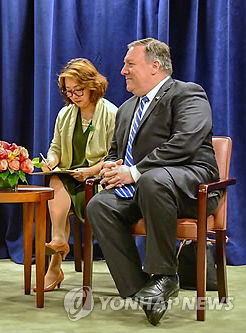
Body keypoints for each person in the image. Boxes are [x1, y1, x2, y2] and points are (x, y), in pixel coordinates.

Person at [86, 38, 222, 326]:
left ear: (155, 67)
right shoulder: (125, 110)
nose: (122, 71)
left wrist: (134, 172)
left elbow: (184, 143)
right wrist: (112, 168)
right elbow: (116, 153)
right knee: (100, 205)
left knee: (153, 179)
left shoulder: (188, 94)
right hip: (145, 188)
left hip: (191, 186)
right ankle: (142, 291)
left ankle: (164, 274)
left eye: (130, 64)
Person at [38, 58, 117, 292]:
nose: (73, 96)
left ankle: (56, 261)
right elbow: (55, 148)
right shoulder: (65, 115)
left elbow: (117, 156)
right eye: (68, 91)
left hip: (100, 181)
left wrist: (91, 171)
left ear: (92, 85)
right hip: (70, 177)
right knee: (55, 179)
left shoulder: (112, 113)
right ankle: (59, 243)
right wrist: (51, 161)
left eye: (78, 90)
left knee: (62, 185)